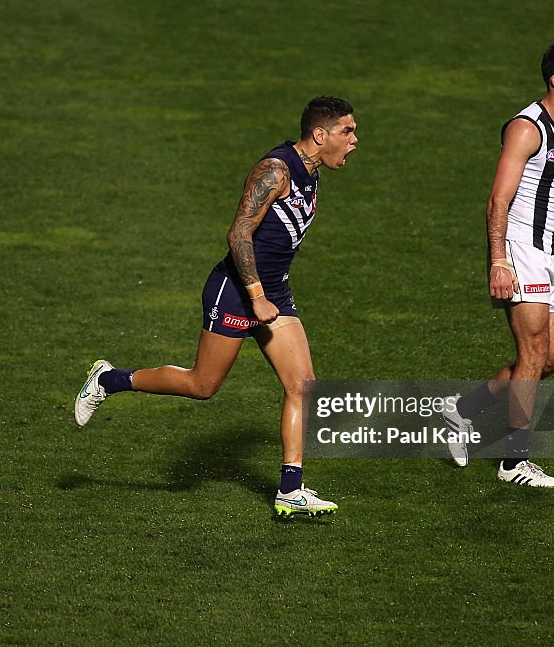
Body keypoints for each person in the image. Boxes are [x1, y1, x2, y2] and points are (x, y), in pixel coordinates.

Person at [75, 96, 358, 516]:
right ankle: (110, 380)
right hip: (237, 292)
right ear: (321, 134)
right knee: (203, 386)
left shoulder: (311, 173)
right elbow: (239, 233)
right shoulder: (275, 171)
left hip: (274, 292)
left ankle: (290, 489)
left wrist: (269, 294)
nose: (354, 141)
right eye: (347, 132)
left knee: (303, 386)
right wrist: (256, 297)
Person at [442, 37, 554, 486]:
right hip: (520, 250)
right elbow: (498, 198)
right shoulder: (527, 128)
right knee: (533, 352)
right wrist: (499, 260)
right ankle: (513, 461)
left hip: (553, 251)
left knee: (552, 359)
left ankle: (461, 411)